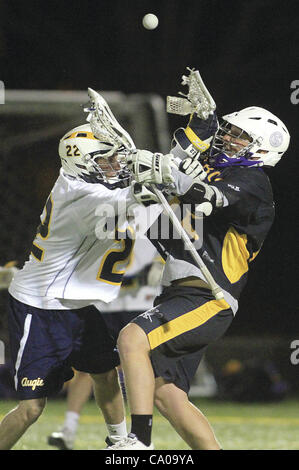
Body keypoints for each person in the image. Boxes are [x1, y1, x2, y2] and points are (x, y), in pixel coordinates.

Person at [106, 71, 291, 450]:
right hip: (180, 293)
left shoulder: (254, 180)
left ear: (262, 149)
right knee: (166, 393)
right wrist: (195, 132)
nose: (228, 138)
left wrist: (176, 179)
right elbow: (165, 211)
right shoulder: (216, 168)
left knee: (132, 338)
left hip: (209, 297)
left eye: (239, 136)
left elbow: (207, 196)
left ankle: (138, 443)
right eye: (229, 130)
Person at [0, 99, 162, 451]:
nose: (115, 165)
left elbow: (131, 187)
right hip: (39, 306)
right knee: (31, 407)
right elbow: (130, 198)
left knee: (105, 372)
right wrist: (159, 176)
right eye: (105, 160)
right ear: (82, 163)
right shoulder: (81, 196)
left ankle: (119, 443)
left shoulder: (83, 183)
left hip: (72, 302)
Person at [47, 235, 162, 450]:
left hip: (141, 299)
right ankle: (68, 430)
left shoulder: (155, 210)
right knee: (89, 368)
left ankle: (141, 435)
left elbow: (172, 241)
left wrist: (159, 265)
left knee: (139, 368)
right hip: (107, 299)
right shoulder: (107, 207)